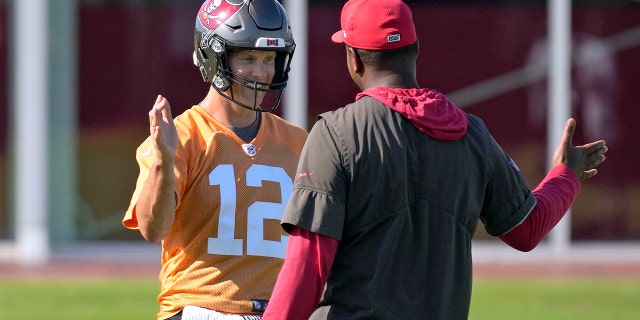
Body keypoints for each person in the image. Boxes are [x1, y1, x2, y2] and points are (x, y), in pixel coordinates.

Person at [262, 0, 608, 319]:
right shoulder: (473, 135)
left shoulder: (336, 132)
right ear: (415, 50)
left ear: (353, 57)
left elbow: (308, 265)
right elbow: (527, 229)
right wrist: (565, 175)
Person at [122, 1, 307, 319]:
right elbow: (153, 230)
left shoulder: (297, 141)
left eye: (268, 59)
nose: (261, 71)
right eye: (248, 58)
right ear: (213, 57)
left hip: (278, 311)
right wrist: (163, 162)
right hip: (202, 308)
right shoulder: (181, 135)